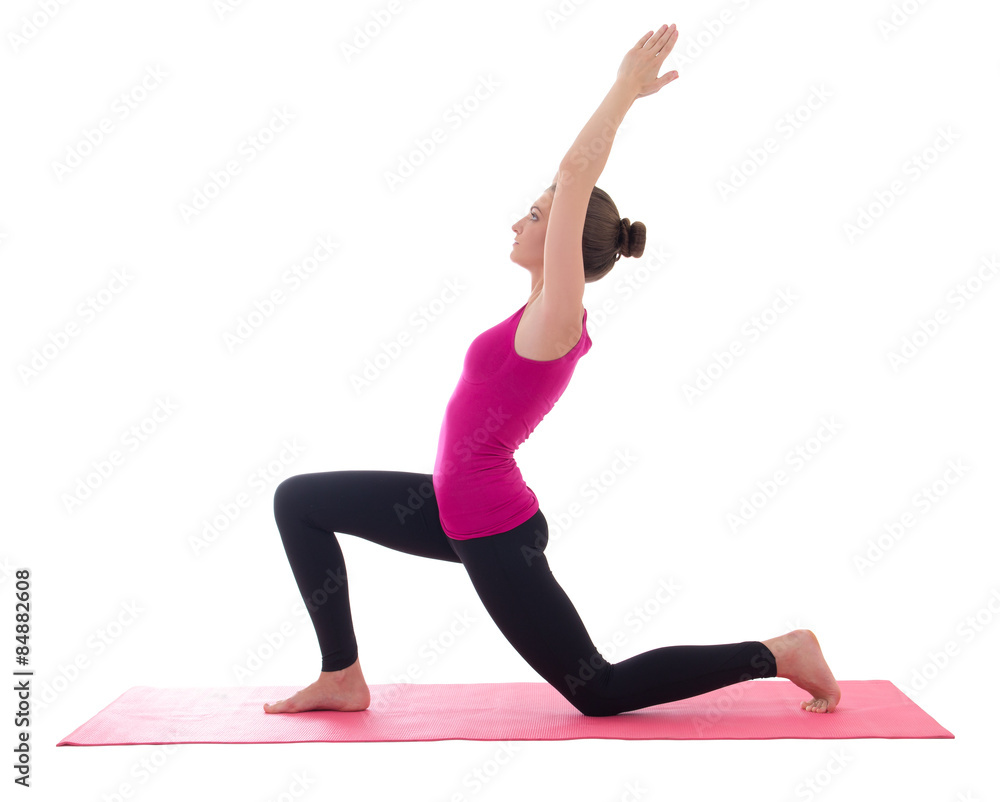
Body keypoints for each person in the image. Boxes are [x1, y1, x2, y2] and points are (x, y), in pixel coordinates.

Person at [264, 23, 840, 718]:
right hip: (453, 508)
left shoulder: (556, 321)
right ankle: (341, 675)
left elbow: (574, 177)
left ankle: (781, 653)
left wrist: (624, 91)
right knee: (299, 500)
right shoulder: (532, 311)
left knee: (598, 690)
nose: (520, 223)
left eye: (537, 217)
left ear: (566, 244)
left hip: (491, 530)